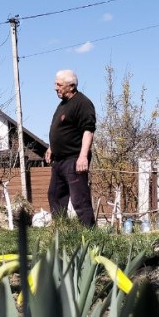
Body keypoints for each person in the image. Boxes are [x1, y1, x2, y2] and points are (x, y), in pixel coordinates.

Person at [45, 69, 96, 226]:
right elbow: (61, 129)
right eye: (55, 84)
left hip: (74, 159)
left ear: (72, 86)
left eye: (59, 85)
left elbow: (88, 131)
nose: (55, 88)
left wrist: (83, 156)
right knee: (54, 195)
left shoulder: (82, 103)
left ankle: (90, 233)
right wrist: (51, 147)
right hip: (59, 161)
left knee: (79, 199)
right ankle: (61, 230)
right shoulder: (63, 105)